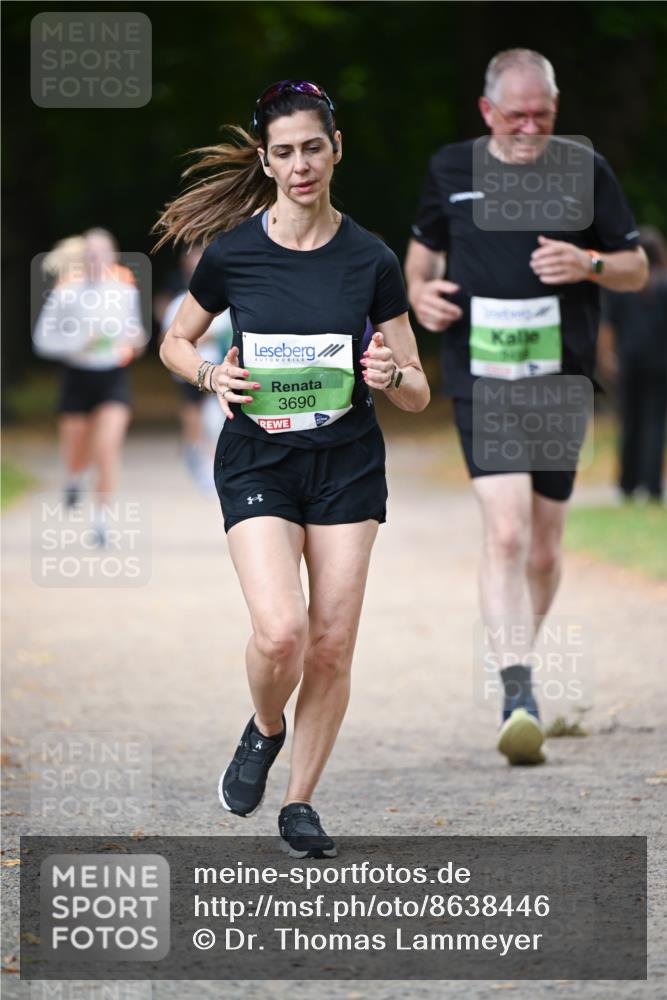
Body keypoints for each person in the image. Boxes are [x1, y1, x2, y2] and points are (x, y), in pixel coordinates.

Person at [155, 80, 429, 856]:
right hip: (259, 459)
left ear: (335, 149)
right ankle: (264, 726)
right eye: (284, 152)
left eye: (314, 147)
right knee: (281, 634)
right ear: (266, 161)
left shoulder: (370, 259)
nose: (301, 164)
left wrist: (389, 376)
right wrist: (210, 376)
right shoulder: (234, 254)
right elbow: (175, 343)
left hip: (346, 465)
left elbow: (415, 389)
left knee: (331, 646)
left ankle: (299, 803)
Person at [405, 49, 648, 765]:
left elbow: (634, 268)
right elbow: (419, 261)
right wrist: (420, 297)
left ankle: (518, 665)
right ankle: (518, 694)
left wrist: (589, 263)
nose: (529, 127)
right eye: (516, 115)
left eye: (542, 114)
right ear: (487, 112)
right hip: (481, 378)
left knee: (543, 546)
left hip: (559, 380)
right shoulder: (451, 170)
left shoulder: (583, 170)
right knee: (505, 535)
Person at [32, 228, 148, 542]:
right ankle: (74, 477)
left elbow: (135, 331)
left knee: (107, 447)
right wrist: (79, 342)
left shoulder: (125, 290)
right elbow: (42, 341)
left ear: (112, 256)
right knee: (77, 451)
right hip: (76, 377)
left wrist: (135, 341)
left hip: (112, 377)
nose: (96, 259)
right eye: (90, 254)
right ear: (83, 258)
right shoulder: (65, 291)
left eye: (102, 253)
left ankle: (101, 521)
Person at [158, 245, 233, 495]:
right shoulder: (180, 302)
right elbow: (168, 340)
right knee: (195, 417)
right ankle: (200, 456)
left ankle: (212, 461)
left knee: (216, 419)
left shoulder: (228, 299)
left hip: (220, 368)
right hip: (192, 370)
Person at [599, 226, 667, 502]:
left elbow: (607, 326)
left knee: (629, 422)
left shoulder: (622, 284)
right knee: (654, 423)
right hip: (661, 363)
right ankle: (651, 487)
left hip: (627, 362)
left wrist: (606, 357)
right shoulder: (664, 284)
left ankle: (626, 484)